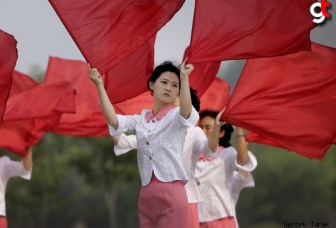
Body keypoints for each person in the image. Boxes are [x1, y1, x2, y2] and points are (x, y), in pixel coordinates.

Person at [89, 61, 223, 228]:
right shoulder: (141, 120)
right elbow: (114, 121)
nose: (168, 88)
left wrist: (184, 77)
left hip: (172, 194)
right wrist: (99, 85)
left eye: (174, 86)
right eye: (164, 82)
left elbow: (186, 113)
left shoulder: (177, 119)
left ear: (178, 92)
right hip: (147, 196)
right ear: (152, 84)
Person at [111, 88, 222, 228]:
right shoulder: (154, 131)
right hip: (157, 199)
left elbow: (209, 150)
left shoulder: (194, 132)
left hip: (186, 198)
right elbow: (122, 142)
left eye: (175, 99)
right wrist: (108, 114)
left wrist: (216, 128)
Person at [196, 110, 258, 228]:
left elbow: (243, 161)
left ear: (221, 133)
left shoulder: (227, 154)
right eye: (200, 127)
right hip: (195, 219)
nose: (203, 131)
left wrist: (239, 131)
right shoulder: (193, 155)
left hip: (221, 218)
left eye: (208, 127)